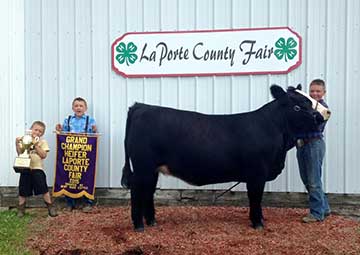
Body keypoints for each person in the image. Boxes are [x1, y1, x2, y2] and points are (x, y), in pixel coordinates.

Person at [296, 79, 331, 223]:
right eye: (312, 91)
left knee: (313, 180)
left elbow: (313, 126)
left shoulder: (323, 109)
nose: (315, 93)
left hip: (314, 144)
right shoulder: (307, 106)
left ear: (324, 93)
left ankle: (316, 213)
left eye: (318, 91)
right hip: (302, 145)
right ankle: (325, 208)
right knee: (307, 179)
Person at [55, 97, 97, 212]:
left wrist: (94, 130)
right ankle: (70, 203)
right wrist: (59, 130)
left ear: (85, 108)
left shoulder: (90, 120)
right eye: (76, 106)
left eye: (81, 106)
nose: (78, 108)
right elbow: (63, 134)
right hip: (70, 154)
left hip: (84, 154)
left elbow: (93, 136)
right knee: (69, 176)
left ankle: (88, 203)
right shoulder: (68, 120)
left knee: (86, 175)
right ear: (73, 108)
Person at [16, 121, 58, 217]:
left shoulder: (43, 142)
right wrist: (17, 143)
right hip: (25, 168)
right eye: (36, 130)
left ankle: (50, 207)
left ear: (42, 134)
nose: (37, 132)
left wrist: (35, 145)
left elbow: (43, 155)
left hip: (37, 168)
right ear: (31, 129)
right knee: (23, 189)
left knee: (43, 188)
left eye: (40, 131)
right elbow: (19, 153)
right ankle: (21, 208)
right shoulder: (25, 139)